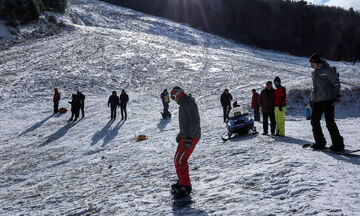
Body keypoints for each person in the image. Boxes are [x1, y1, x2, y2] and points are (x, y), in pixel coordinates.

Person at [309, 53, 344, 152]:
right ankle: (320, 142)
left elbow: (336, 83)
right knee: (314, 122)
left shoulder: (327, 70)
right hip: (316, 101)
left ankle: (338, 144)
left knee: (329, 123)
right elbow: (314, 88)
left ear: (316, 62)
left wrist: (337, 97)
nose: (311, 65)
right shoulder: (313, 73)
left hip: (328, 101)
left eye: (312, 63)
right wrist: (311, 99)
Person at [170, 86, 201, 197]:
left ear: (179, 94)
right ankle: (182, 181)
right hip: (186, 135)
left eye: (174, 97)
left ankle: (186, 186)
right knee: (177, 159)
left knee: (181, 160)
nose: (174, 100)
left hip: (192, 136)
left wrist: (188, 138)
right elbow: (185, 124)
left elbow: (195, 122)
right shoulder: (182, 106)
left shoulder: (190, 104)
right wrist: (181, 134)